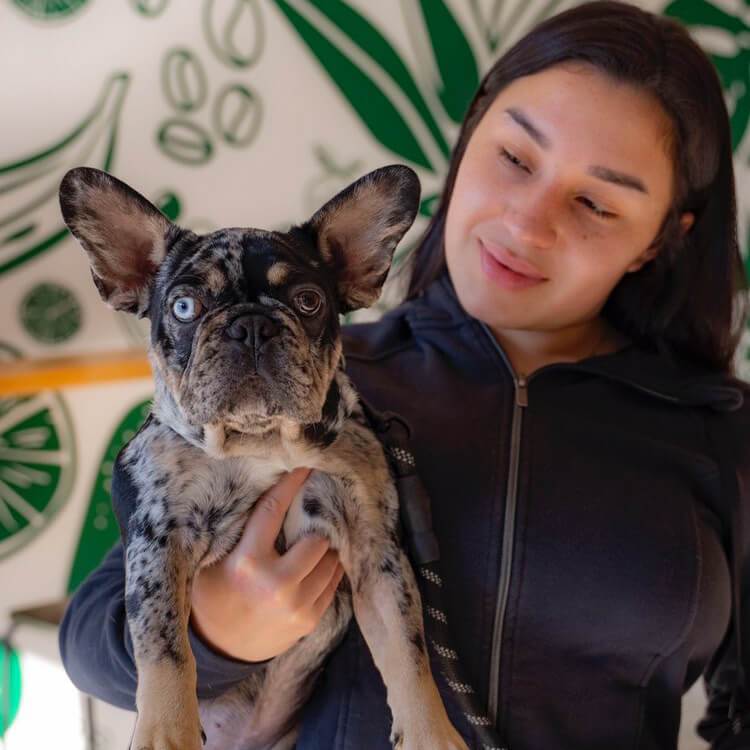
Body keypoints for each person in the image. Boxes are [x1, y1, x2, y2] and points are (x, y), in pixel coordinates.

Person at [59, 1, 750, 748]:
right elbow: (90, 648)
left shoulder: (720, 436)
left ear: (663, 236)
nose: (526, 221)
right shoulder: (320, 390)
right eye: (515, 158)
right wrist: (220, 627)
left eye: (595, 201)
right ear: (470, 132)